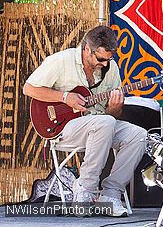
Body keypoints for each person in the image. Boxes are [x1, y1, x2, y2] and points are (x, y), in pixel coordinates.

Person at [23, 25, 147, 217]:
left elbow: (111, 116)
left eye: (109, 59)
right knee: (104, 123)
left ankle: (111, 193)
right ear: (87, 49)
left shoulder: (110, 68)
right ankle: (84, 188)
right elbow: (29, 89)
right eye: (100, 59)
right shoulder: (61, 61)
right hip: (62, 127)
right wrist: (65, 97)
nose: (105, 64)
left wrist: (115, 108)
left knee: (138, 135)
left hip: (99, 126)